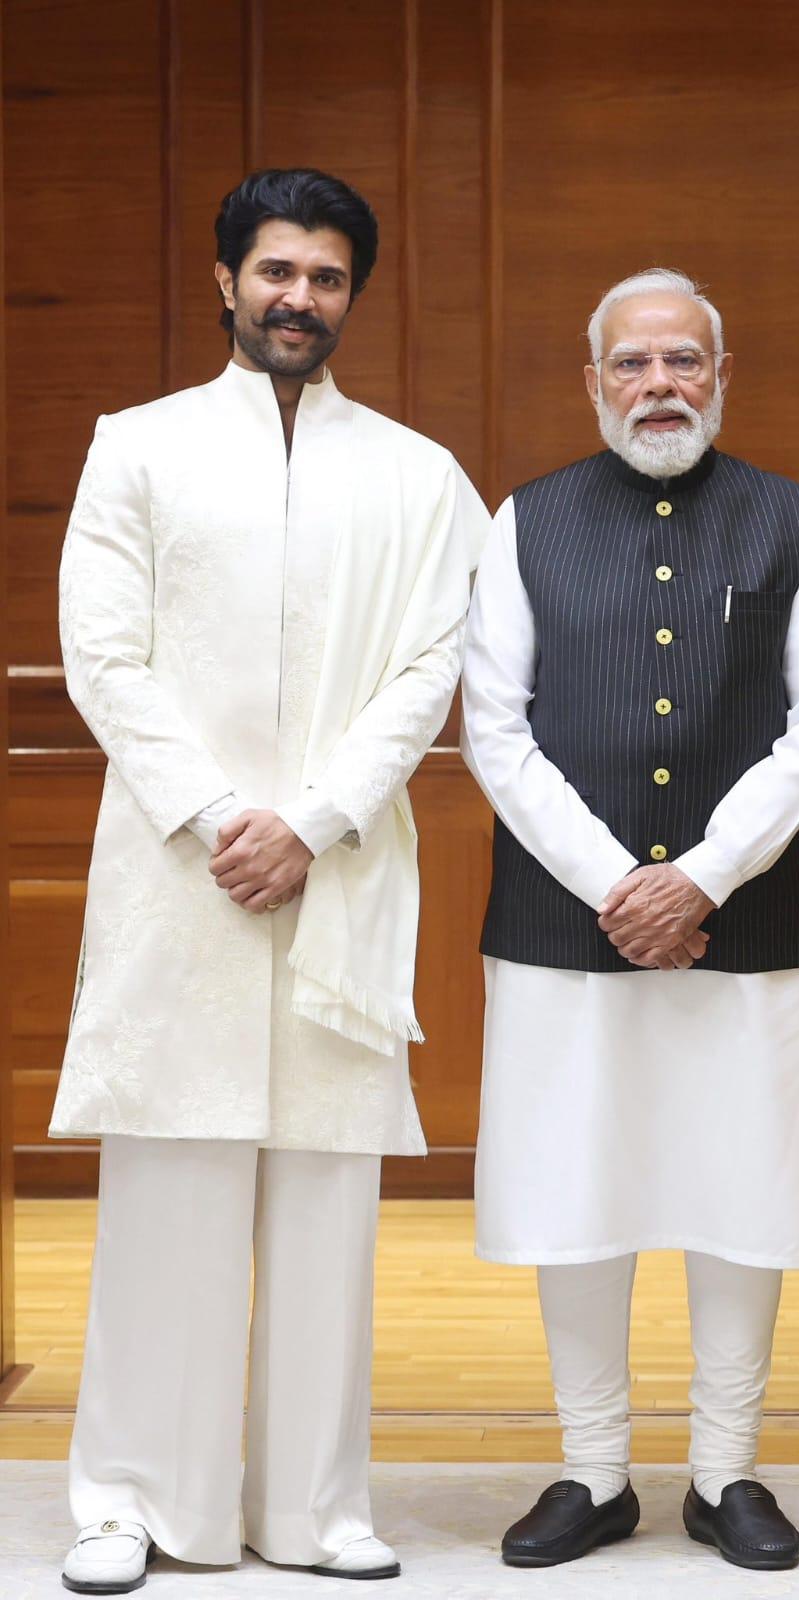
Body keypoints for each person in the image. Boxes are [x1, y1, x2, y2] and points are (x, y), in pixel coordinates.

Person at [53, 168, 489, 1594]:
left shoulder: (419, 476)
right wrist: (214, 814)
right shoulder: (139, 447)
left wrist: (313, 820)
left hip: (336, 873)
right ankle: (132, 1499)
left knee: (323, 1199)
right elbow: (102, 655)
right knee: (167, 1189)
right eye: (277, 271)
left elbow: (431, 669)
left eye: (326, 277)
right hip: (180, 872)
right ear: (227, 282)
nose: (299, 298)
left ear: (354, 295)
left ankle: (311, 1507)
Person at [461, 267, 799, 1572]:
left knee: (744, 1188)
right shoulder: (524, 521)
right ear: (593, 382)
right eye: (631, 364)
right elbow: (495, 729)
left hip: (749, 922)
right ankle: (593, 1473)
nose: (659, 385)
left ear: (722, 376)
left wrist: (703, 877)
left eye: (684, 360)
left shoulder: (797, 520)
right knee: (578, 1187)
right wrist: (617, 888)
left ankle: (725, 1472)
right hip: (564, 923)